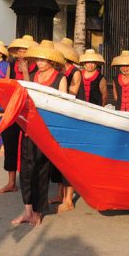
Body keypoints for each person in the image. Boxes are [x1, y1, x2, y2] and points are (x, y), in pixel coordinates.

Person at [12, 40, 68, 226]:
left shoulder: (61, 78)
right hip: (30, 128)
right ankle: (27, 210)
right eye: (39, 59)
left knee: (41, 171)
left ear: (51, 60)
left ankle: (38, 211)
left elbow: (63, 108)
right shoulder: (34, 76)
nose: (40, 62)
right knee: (27, 170)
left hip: (47, 131)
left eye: (43, 59)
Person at [0, 35, 37, 194]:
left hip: (27, 110)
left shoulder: (35, 67)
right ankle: (11, 182)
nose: (21, 54)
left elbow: (32, 88)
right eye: (19, 51)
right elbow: (7, 83)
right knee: (10, 142)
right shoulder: (11, 64)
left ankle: (29, 182)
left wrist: (25, 71)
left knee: (29, 148)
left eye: (24, 51)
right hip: (12, 108)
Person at [51, 38, 81, 208]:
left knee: (68, 158)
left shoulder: (74, 72)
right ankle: (59, 194)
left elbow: (73, 93)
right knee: (57, 159)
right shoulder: (56, 70)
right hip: (57, 114)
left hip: (71, 115)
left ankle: (68, 199)